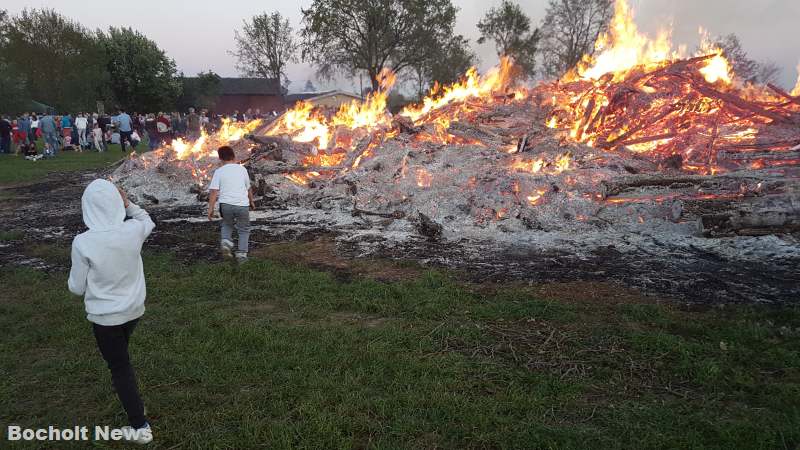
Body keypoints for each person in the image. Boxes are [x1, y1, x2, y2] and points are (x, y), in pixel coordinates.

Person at [68, 180, 155, 445]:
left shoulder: (83, 242)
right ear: (118, 204)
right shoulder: (132, 230)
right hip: (133, 311)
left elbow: (76, 287)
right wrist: (128, 203)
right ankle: (137, 408)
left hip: (105, 318)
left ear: (87, 208)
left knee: (120, 367)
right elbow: (147, 220)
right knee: (122, 356)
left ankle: (140, 427)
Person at [207, 145, 255, 262]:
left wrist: (210, 209)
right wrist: (251, 201)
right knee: (243, 229)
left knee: (227, 224)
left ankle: (225, 241)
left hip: (226, 205)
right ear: (234, 156)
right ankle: (242, 255)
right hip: (242, 205)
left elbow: (213, 191)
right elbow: (248, 188)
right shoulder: (242, 169)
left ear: (220, 159)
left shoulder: (219, 171)